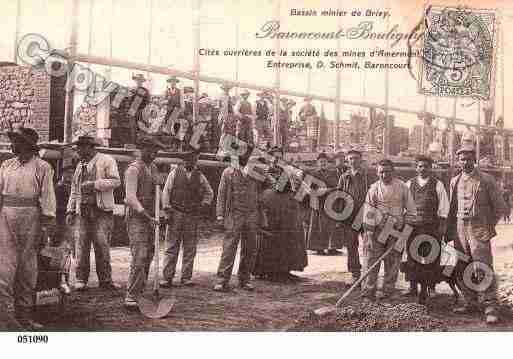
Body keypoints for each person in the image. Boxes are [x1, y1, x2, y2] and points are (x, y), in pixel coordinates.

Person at [0, 127, 56, 330]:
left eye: (17, 141)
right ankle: (5, 318)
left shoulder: (42, 167)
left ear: (26, 145)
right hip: (6, 217)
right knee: (4, 268)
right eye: (13, 141)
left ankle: (24, 317)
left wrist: (46, 226)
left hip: (31, 219)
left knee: (27, 269)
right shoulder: (6, 165)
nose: (13, 145)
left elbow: (48, 197)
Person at [446, 145, 506, 324]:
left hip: (479, 227)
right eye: (462, 159)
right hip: (459, 228)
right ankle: (470, 301)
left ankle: (490, 306)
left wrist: (488, 225)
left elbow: (500, 207)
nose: (465, 162)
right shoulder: (454, 180)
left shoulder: (486, 180)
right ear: (458, 161)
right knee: (462, 266)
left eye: (469, 159)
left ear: (475, 160)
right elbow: (452, 208)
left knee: (482, 266)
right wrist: (450, 231)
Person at [66, 135, 121, 291]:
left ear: (90, 147)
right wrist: (70, 210)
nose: (78, 150)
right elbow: (74, 190)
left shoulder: (106, 160)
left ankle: (105, 280)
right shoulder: (79, 166)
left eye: (81, 147)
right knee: (81, 245)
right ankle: (80, 279)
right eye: (78, 147)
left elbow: (116, 181)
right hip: (82, 211)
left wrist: (95, 184)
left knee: (102, 245)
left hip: (101, 211)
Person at [361, 159, 415, 300]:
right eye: (381, 172)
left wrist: (405, 231)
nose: (384, 175)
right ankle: (369, 290)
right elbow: (369, 211)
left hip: (396, 230)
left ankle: (388, 291)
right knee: (372, 260)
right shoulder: (374, 188)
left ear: (394, 172)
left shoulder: (403, 187)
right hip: (377, 230)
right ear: (377, 173)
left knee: (393, 262)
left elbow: (411, 211)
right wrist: (370, 232)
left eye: (388, 172)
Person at [160, 150, 214, 287]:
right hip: (176, 213)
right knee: (171, 246)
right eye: (189, 158)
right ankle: (167, 277)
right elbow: (166, 191)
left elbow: (209, 192)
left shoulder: (200, 176)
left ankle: (186, 277)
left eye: (194, 159)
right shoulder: (174, 173)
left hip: (192, 215)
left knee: (190, 247)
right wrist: (167, 209)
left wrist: (204, 205)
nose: (191, 161)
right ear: (184, 160)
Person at [123, 137, 164, 308]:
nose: (154, 154)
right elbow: (130, 198)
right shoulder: (133, 170)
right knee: (139, 256)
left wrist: (160, 212)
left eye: (156, 151)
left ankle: (141, 290)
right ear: (142, 150)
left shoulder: (153, 168)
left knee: (149, 255)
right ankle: (131, 295)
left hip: (151, 217)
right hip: (137, 217)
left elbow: (157, 194)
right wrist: (147, 216)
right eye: (151, 150)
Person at [403, 155, 449, 302]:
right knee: (412, 256)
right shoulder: (409, 183)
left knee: (431, 257)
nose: (423, 169)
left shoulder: (438, 184)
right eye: (420, 166)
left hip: (431, 227)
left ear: (431, 168)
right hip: (413, 227)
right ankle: (412, 286)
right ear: (416, 168)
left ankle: (431, 287)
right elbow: (404, 205)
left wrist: (441, 226)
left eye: (426, 166)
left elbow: (443, 207)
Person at [214, 151, 260, 292]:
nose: (243, 158)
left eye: (246, 156)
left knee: (250, 248)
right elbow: (221, 194)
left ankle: (244, 279)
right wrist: (220, 215)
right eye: (241, 155)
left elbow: (269, 185)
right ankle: (222, 280)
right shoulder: (228, 172)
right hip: (234, 214)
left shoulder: (255, 173)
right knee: (229, 248)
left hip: (251, 215)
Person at [253, 170, 307, 282]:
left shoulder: (289, 195)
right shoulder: (269, 194)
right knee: (272, 246)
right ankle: (272, 272)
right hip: (272, 228)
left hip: (284, 228)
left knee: (285, 245)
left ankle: (282, 271)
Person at [336, 149, 368, 285]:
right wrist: (339, 217)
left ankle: (368, 274)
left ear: (361, 160)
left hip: (366, 216)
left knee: (369, 246)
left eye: (356, 158)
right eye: (351, 159)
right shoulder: (344, 177)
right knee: (351, 246)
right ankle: (355, 274)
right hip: (349, 217)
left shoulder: (367, 175)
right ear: (347, 161)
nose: (353, 161)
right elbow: (338, 197)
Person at [307, 152, 341, 255]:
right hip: (318, 202)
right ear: (317, 163)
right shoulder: (313, 174)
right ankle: (319, 247)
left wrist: (330, 191)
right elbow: (309, 189)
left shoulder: (334, 173)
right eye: (321, 162)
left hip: (331, 202)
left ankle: (332, 247)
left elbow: (338, 186)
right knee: (318, 225)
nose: (323, 163)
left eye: (325, 162)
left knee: (332, 225)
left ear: (328, 163)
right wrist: (321, 191)